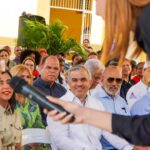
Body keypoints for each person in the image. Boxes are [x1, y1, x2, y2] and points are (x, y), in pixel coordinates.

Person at [10, 64, 51, 150]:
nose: (25, 80)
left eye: (28, 77)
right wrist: (27, 143)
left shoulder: (33, 102)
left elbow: (39, 125)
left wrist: (40, 140)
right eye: (21, 76)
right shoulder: (6, 102)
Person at [33, 56, 67, 125]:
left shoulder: (63, 91)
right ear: (41, 68)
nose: (52, 71)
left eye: (56, 68)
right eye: (48, 67)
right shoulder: (32, 89)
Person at [0, 70, 22, 149]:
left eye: (9, 82)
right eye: (0, 82)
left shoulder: (15, 113)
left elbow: (19, 145)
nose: (6, 86)